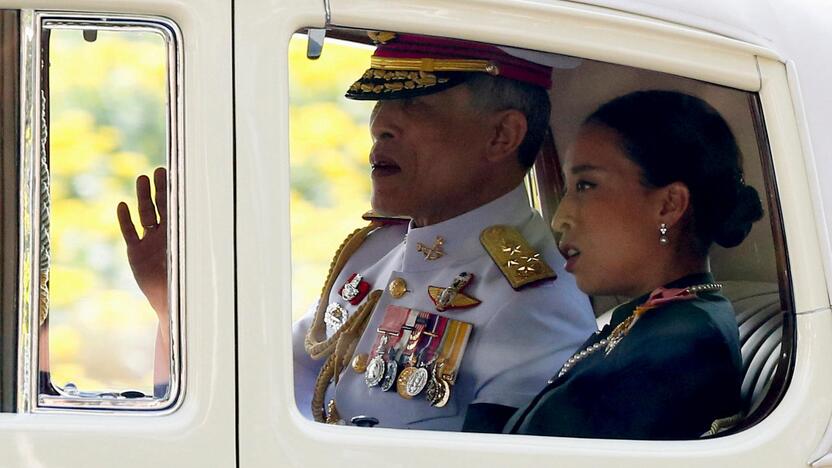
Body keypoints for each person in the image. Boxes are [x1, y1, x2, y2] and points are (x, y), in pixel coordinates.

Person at [289, 32, 596, 430]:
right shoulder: (375, 248)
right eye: (381, 102)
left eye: (414, 103)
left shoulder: (535, 305)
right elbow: (285, 370)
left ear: (502, 135)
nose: (380, 124)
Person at [463, 90, 764, 439]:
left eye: (586, 185)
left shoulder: (675, 350)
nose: (560, 218)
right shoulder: (657, 318)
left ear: (668, 205)